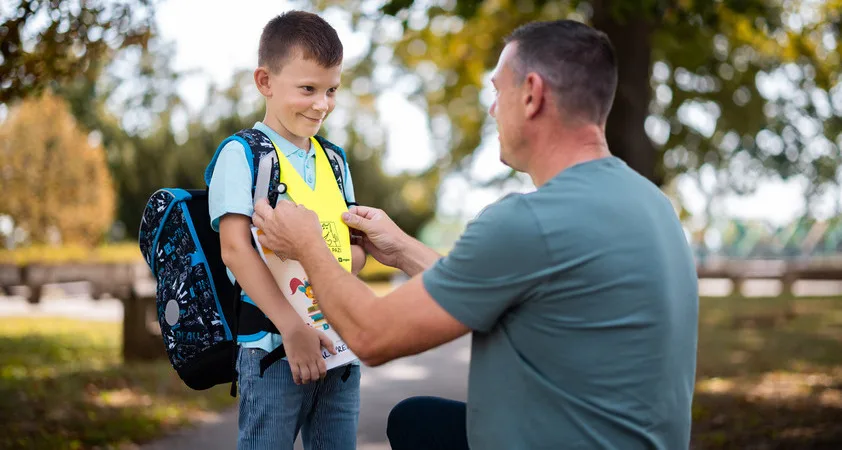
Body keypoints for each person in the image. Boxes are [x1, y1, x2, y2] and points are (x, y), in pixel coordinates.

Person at [253, 19, 699, 450]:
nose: (491, 109)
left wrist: (309, 244)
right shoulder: (651, 204)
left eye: (496, 91)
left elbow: (371, 336)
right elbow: (499, 286)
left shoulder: (529, 220)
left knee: (415, 424)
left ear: (531, 95)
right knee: (418, 421)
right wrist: (404, 248)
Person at [206, 10, 366, 450]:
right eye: (308, 89)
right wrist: (293, 329)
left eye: (331, 90)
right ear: (265, 82)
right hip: (276, 348)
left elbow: (353, 252)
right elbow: (236, 251)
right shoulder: (243, 156)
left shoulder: (335, 162)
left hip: (340, 350)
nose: (322, 104)